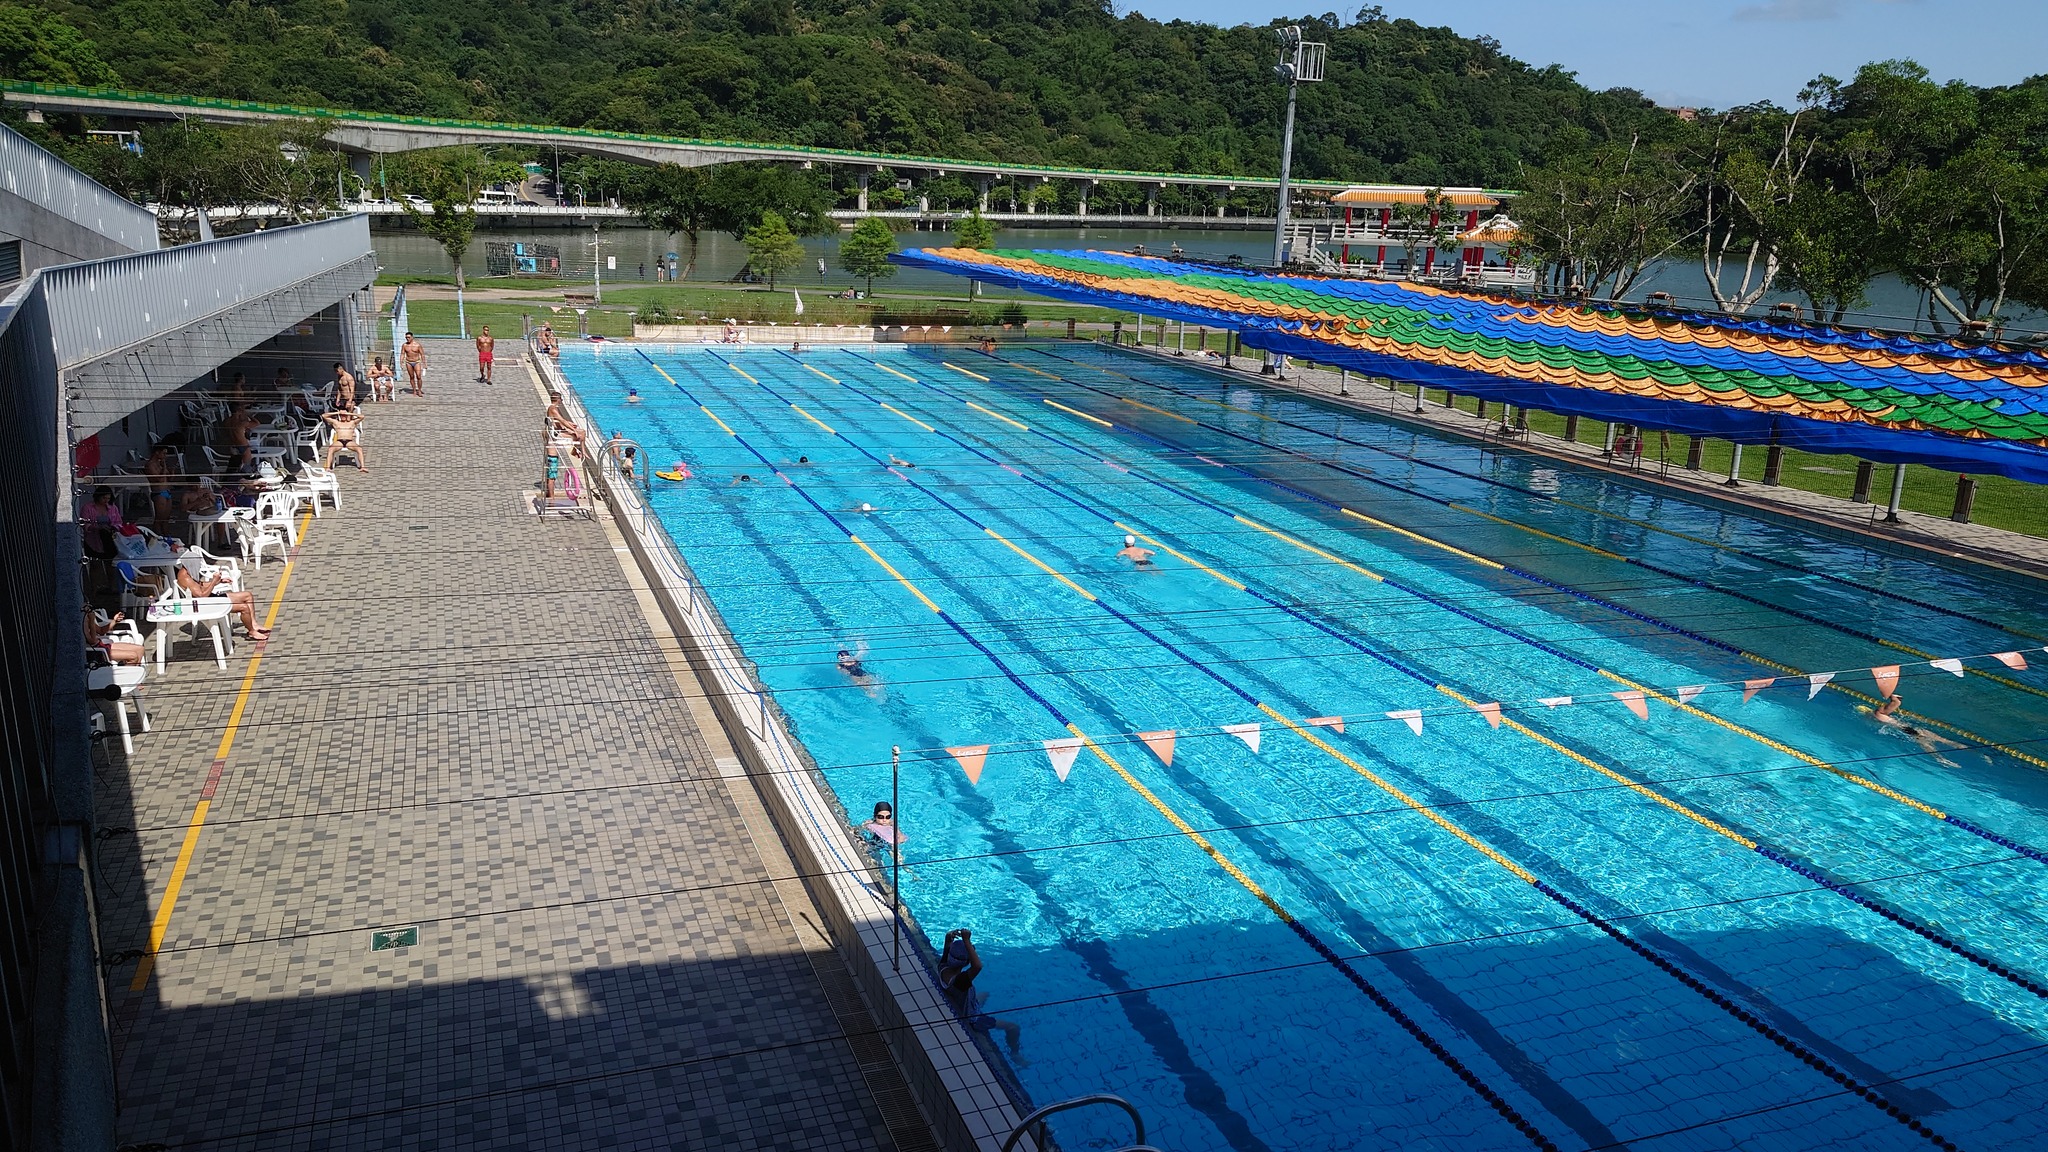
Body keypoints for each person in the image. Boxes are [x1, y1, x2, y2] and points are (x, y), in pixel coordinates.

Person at [937, 928, 1023, 1057]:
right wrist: (966, 940)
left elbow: (947, 951)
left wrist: (949, 937)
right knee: (1013, 1027)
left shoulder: (943, 967)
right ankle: (1015, 1055)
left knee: (985, 994)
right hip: (973, 1018)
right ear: (967, 962)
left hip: (965, 1002)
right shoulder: (960, 982)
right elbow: (977, 966)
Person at [175, 550, 269, 641]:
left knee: (248, 595)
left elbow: (200, 586)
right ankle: (252, 631)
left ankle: (254, 624)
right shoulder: (186, 578)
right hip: (203, 604)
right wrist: (213, 582)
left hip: (209, 598)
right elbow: (202, 596)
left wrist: (219, 581)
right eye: (197, 564)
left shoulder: (189, 572)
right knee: (244, 607)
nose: (199, 566)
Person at [322, 398, 367, 472]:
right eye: (342, 415)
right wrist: (337, 412)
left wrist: (349, 413)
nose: (343, 416)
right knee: (330, 449)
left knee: (359, 449)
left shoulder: (352, 423)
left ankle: (362, 467)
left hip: (349, 441)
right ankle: (328, 467)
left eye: (344, 415)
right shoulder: (336, 423)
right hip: (339, 441)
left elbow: (362, 416)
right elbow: (324, 416)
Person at [81, 486, 124, 561]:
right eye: (104, 498)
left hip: (110, 539)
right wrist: (97, 527)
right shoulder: (87, 507)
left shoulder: (113, 508)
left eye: (108, 498)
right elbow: (84, 524)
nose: (106, 500)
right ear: (98, 496)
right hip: (93, 539)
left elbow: (119, 522)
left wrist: (113, 527)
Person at [401, 332, 426, 396]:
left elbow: (422, 354)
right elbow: (402, 354)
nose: (407, 339)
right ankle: (414, 390)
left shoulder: (417, 345)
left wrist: (424, 363)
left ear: (412, 337)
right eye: (406, 337)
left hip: (417, 362)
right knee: (411, 377)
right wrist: (401, 362)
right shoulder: (404, 345)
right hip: (408, 362)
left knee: (418, 376)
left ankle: (419, 390)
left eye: (409, 337)